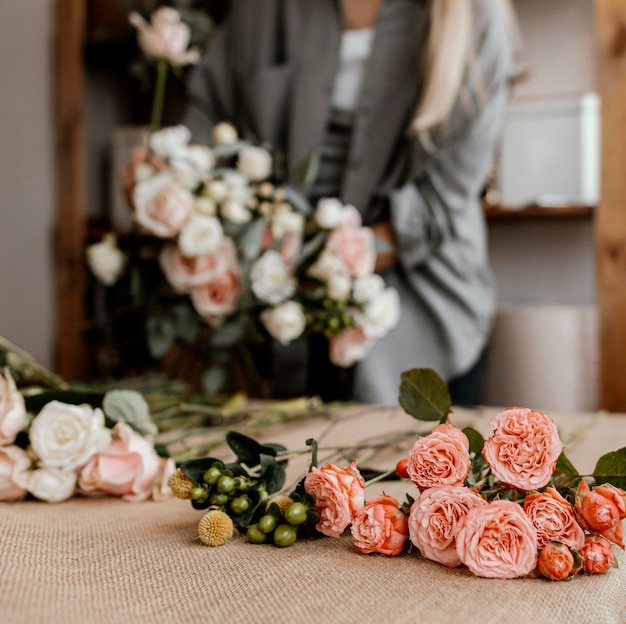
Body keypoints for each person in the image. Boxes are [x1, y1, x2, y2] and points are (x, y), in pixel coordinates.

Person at [179, 0, 520, 406]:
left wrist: (305, 266)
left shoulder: (476, 19)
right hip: (268, 334)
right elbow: (205, 123)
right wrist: (172, 172)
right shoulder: (261, 11)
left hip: (420, 329)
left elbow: (441, 204)